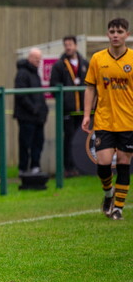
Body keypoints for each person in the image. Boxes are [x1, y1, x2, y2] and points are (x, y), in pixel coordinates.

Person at [83, 18, 133, 220]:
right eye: (112, 31)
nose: (115, 35)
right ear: (107, 34)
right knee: (103, 164)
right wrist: (87, 114)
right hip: (104, 120)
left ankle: (118, 208)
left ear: (126, 35)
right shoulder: (97, 58)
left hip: (128, 121)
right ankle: (108, 194)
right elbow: (90, 87)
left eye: (119, 31)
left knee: (123, 163)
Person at [48, 35, 88, 176]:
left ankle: (82, 167)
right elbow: (53, 86)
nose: (68, 47)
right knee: (69, 138)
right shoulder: (59, 65)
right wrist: (65, 100)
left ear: (76, 45)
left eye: (70, 44)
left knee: (83, 138)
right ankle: (68, 168)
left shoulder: (84, 63)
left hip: (83, 110)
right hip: (68, 110)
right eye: (66, 45)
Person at [14, 48, 48, 175]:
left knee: (38, 143)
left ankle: (35, 166)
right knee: (25, 143)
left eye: (39, 58)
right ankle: (23, 168)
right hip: (27, 117)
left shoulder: (35, 73)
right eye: (36, 58)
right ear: (30, 58)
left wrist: (42, 111)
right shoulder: (22, 73)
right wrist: (33, 108)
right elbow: (21, 95)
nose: (38, 61)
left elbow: (39, 95)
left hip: (38, 117)